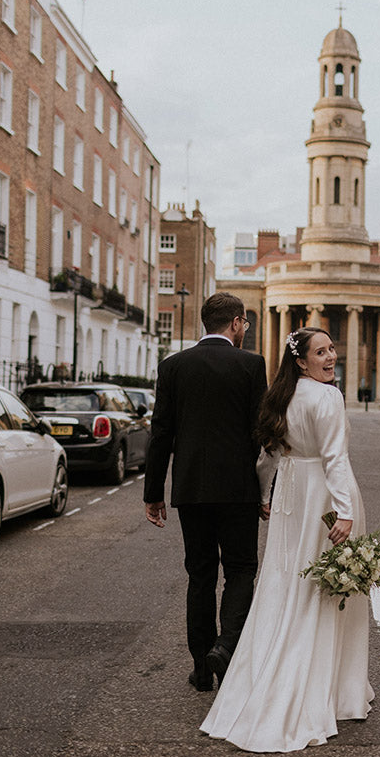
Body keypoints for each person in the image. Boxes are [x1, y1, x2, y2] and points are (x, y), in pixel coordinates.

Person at [200, 326, 374, 753]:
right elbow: (334, 457)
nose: (330, 357)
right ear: (301, 360)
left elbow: (269, 457)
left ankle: (265, 673)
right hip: (326, 496)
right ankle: (334, 691)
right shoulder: (327, 397)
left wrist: (264, 496)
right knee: (328, 589)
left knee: (284, 582)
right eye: (320, 352)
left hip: (289, 499)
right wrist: (346, 512)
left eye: (332, 349)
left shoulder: (281, 395)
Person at [143, 292, 267, 692]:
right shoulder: (251, 365)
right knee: (241, 570)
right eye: (244, 324)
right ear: (235, 322)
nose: (245, 330)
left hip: (191, 488)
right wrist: (264, 489)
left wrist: (153, 493)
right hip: (238, 490)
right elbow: (259, 435)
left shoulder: (173, 366)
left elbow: (161, 433)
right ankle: (226, 648)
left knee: (199, 576)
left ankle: (201, 668)